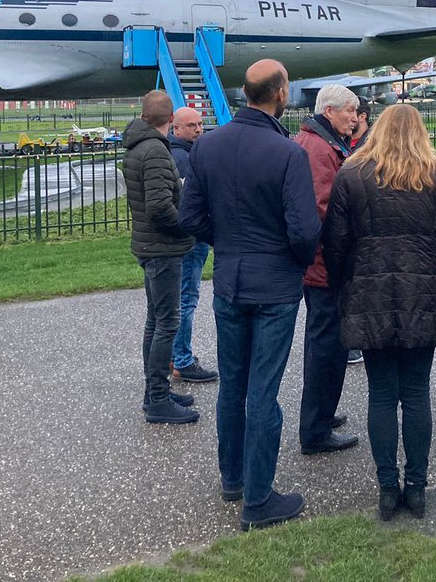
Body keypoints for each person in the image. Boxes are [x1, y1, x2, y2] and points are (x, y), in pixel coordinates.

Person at [179, 59, 322, 532]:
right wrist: (291, 260)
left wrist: (230, 244)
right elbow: (304, 231)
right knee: (263, 392)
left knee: (234, 386)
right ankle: (258, 499)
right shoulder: (286, 153)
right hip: (275, 285)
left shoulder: (208, 145)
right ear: (280, 94)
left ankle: (234, 477)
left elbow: (191, 217)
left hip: (232, 279)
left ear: (244, 93)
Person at [324, 104, 436, 520]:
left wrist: (343, 286)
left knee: (383, 394)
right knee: (417, 392)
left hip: (369, 290)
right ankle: (417, 485)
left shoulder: (352, 173)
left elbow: (335, 241)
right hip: (424, 290)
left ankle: (388, 486)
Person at [123, 91, 199, 425]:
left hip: (151, 246)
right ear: (170, 120)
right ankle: (157, 398)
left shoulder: (139, 145)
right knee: (166, 322)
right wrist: (186, 227)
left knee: (156, 320)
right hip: (162, 248)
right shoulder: (154, 149)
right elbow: (158, 206)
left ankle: (156, 391)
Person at [294, 83, 362, 455]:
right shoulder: (320, 148)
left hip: (321, 265)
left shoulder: (319, 142)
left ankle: (321, 413)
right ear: (330, 111)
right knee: (325, 347)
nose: (355, 117)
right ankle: (315, 429)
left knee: (325, 345)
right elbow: (325, 209)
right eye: (350, 111)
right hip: (326, 266)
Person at [168, 106, 218, 385]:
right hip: (191, 240)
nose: (198, 129)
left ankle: (176, 355)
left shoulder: (183, 153)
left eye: (200, 124)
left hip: (188, 239)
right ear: (177, 128)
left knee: (181, 299)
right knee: (186, 299)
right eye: (191, 126)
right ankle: (182, 360)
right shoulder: (182, 158)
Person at [346, 96, 372, 365]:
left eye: (354, 112)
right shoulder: (345, 141)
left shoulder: (371, 144)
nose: (352, 119)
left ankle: (360, 343)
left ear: (363, 116)